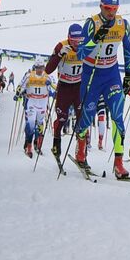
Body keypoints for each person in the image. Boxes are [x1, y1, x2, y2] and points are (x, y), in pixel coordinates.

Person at [69, 0, 130, 180]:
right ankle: (81, 151)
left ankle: (119, 163)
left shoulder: (123, 24)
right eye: (107, 8)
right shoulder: (91, 24)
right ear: (100, 6)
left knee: (117, 116)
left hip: (112, 74)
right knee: (87, 117)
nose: (111, 12)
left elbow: (128, 48)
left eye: (114, 8)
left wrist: (128, 74)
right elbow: (80, 54)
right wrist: (94, 40)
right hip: (92, 74)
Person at [46, 23, 88, 162]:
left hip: (78, 87)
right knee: (62, 118)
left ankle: (81, 153)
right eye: (74, 40)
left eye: (79, 40)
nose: (77, 44)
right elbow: (48, 69)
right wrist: (59, 55)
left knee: (82, 120)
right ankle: (56, 142)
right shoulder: (61, 46)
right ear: (69, 38)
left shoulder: (86, 46)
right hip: (64, 87)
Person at [15, 60, 52, 158]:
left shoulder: (48, 76)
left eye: (41, 67)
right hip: (31, 101)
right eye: (38, 68)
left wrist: (51, 88)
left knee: (40, 122)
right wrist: (18, 93)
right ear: (35, 67)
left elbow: (55, 87)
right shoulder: (29, 75)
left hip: (43, 102)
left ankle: (38, 142)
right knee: (30, 122)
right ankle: (28, 145)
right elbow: (20, 85)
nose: (39, 70)